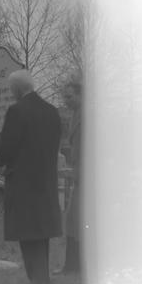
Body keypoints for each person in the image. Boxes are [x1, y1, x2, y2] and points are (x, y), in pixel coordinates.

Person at [0, 70, 62, 284]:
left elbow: (5, 150)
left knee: (28, 233)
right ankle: (43, 280)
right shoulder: (53, 112)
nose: (11, 94)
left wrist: (1, 157)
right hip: (46, 183)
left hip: (24, 184)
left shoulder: (17, 111)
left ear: (17, 89)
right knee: (41, 233)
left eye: (11, 90)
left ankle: (38, 283)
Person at [60, 81, 82, 274]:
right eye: (64, 97)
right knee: (73, 220)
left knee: (76, 220)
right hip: (79, 173)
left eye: (69, 96)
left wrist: (76, 172)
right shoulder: (75, 115)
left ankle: (74, 266)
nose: (66, 101)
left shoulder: (86, 115)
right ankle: (72, 266)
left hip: (86, 178)